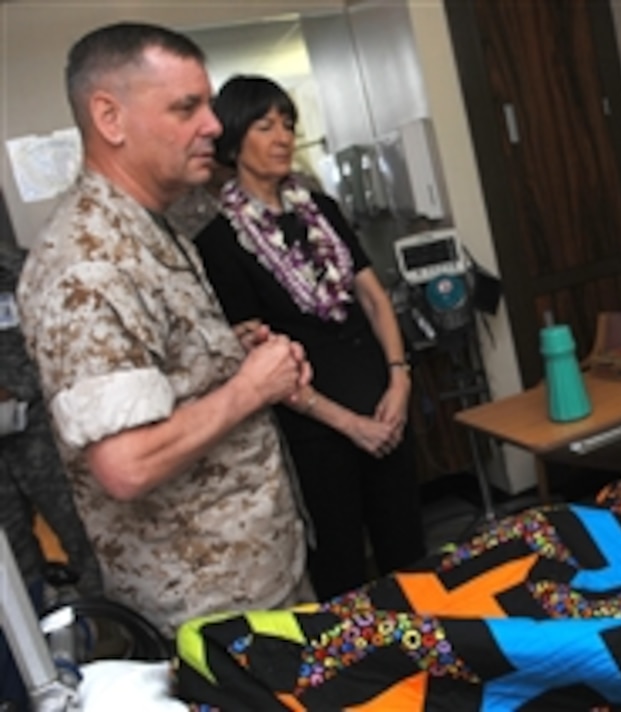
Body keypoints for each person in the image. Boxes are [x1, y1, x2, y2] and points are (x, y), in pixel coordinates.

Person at [17, 22, 315, 637]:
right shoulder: (88, 262)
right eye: (187, 107)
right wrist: (249, 389)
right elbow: (125, 463)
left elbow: (153, 381)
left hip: (259, 575)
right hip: (208, 611)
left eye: (208, 104)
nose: (213, 124)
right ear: (111, 118)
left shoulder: (154, 226)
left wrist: (228, 357)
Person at [195, 75, 426, 599]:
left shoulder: (320, 210)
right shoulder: (218, 242)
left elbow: (372, 296)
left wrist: (399, 380)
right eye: (265, 125)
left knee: (408, 553)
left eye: (288, 124)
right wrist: (349, 425)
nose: (283, 137)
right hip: (317, 429)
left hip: (382, 400)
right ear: (233, 140)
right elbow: (260, 358)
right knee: (342, 569)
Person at [1, 237, 103, 708]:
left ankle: (110, 645)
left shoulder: (23, 265)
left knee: (85, 535)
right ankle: (27, 679)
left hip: (43, 429)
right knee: (14, 574)